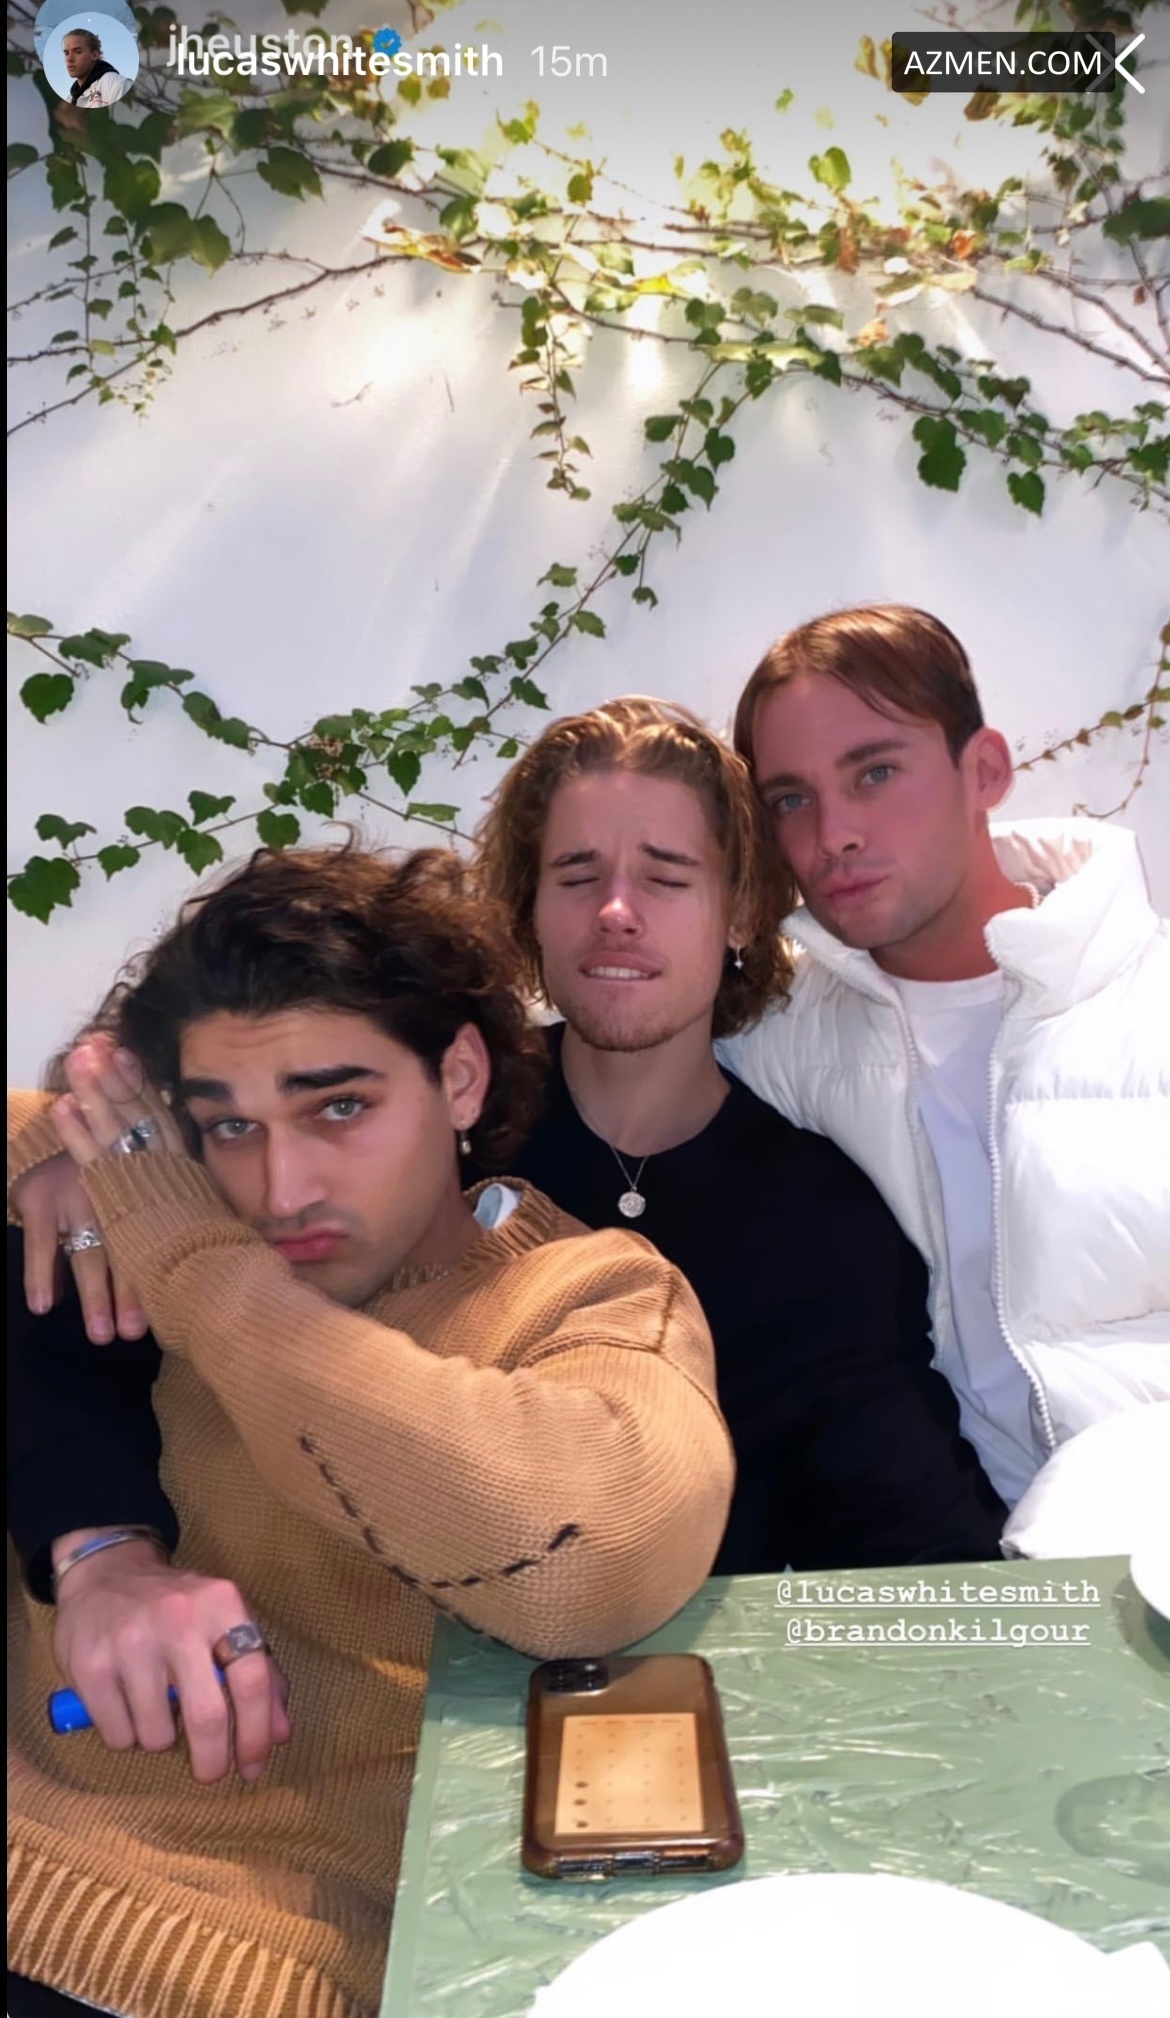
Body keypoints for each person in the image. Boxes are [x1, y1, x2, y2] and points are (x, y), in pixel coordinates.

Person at [7, 843, 734, 2018]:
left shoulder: (588, 1295)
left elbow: (588, 1558)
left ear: (459, 1077)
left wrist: (191, 1256)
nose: (281, 1186)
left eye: (338, 1105)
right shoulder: (147, 1192)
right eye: (229, 1125)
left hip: (209, 1961)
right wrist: (99, 1552)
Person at [475, 697, 1005, 1569]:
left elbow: (922, 1554)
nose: (615, 911)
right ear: (529, 904)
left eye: (666, 877)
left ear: (741, 912)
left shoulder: (819, 1223)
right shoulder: (444, 1132)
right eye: (575, 875)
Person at [727, 602, 1170, 1520]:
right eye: (791, 799)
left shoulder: (1149, 1003)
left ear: (985, 771)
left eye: (876, 771)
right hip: (949, 1566)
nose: (834, 834)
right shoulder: (776, 1031)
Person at [61, 28, 131, 107]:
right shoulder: (69, 100)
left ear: (94, 55)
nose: (69, 59)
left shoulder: (117, 85)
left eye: (78, 52)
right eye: (66, 53)